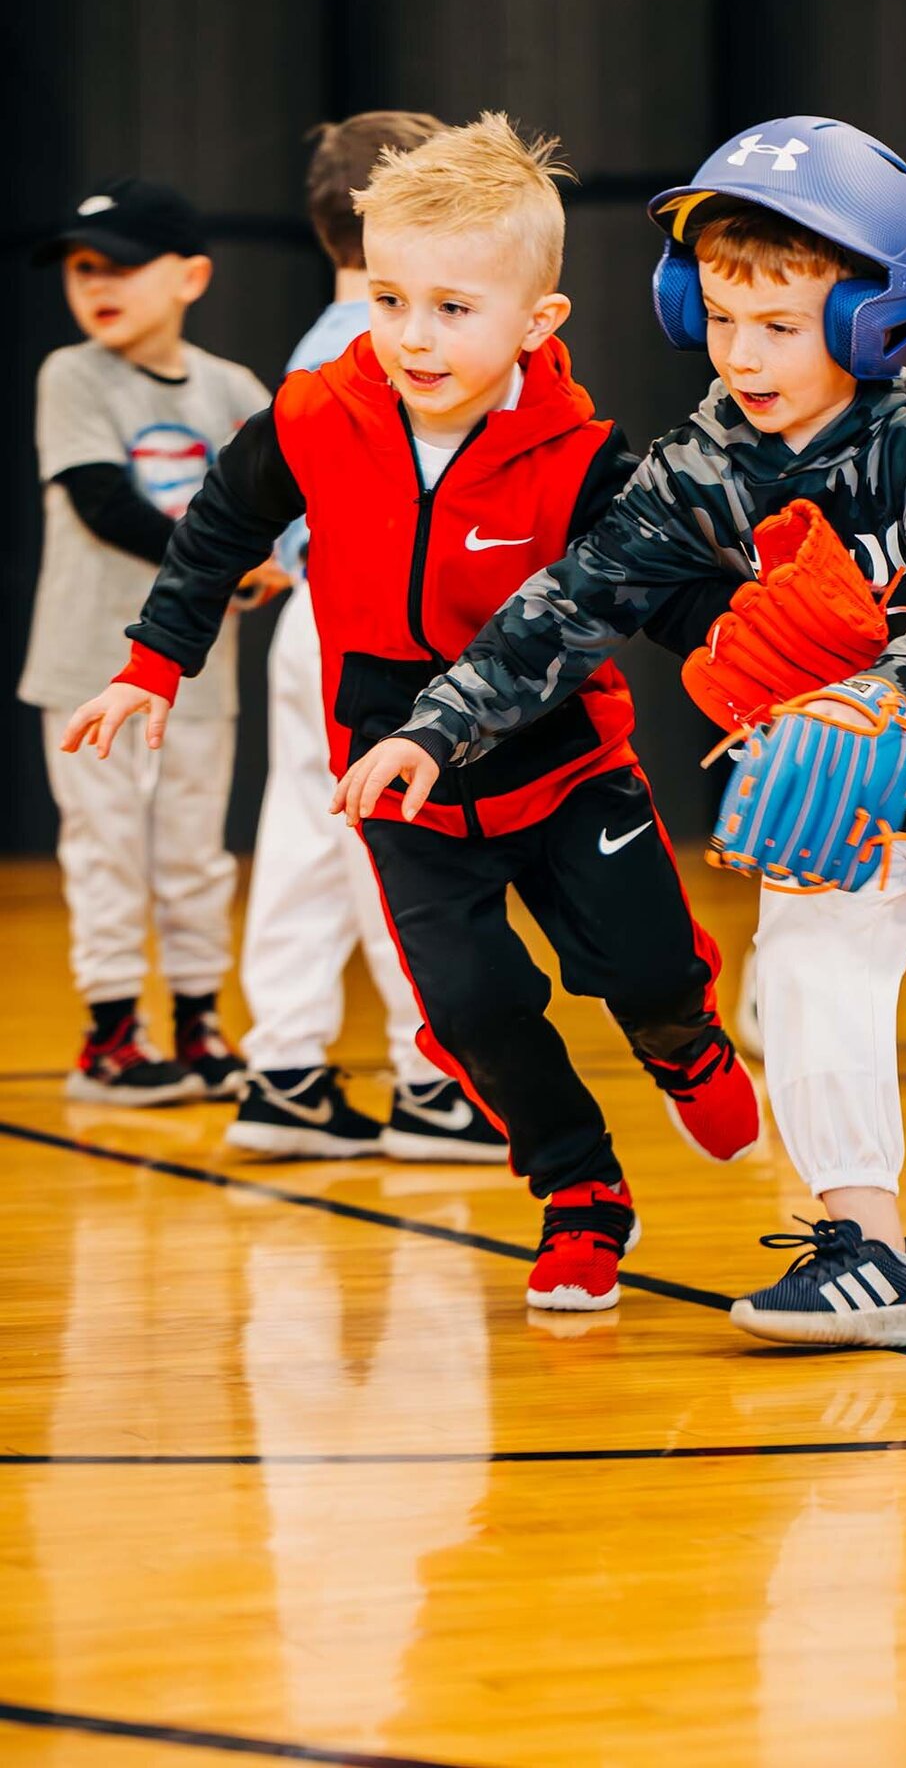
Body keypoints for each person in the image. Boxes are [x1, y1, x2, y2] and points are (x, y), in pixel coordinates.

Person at [332, 115, 906, 1348]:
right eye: (723, 318)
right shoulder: (704, 457)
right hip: (832, 786)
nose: (743, 351)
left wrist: (878, 694)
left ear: (871, 321)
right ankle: (872, 1253)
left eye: (781, 327)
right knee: (806, 984)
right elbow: (580, 597)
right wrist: (439, 725)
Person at [61, 114, 760, 1312]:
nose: (412, 336)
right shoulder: (316, 412)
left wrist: (762, 684)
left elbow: (671, 589)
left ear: (537, 323)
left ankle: (681, 1033)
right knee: (474, 1009)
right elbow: (218, 527)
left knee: (637, 962)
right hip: (397, 775)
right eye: (389, 299)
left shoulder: (583, 450)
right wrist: (151, 664)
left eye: (451, 307)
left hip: (564, 755)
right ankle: (581, 1194)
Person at [228, 109, 507, 1163]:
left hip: (313, 615)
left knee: (306, 839)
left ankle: (285, 1068)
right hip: (381, 618)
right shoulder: (402, 344)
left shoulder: (316, 339)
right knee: (411, 849)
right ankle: (435, 1078)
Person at [22, 177, 280, 1105]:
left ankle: (201, 1025)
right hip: (87, 663)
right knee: (104, 849)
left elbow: (279, 505)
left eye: (123, 265)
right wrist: (232, 569)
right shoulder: (73, 375)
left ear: (192, 277)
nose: (99, 284)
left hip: (196, 679)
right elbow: (106, 505)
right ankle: (111, 1037)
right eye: (83, 268)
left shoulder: (232, 390)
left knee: (191, 852)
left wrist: (277, 558)